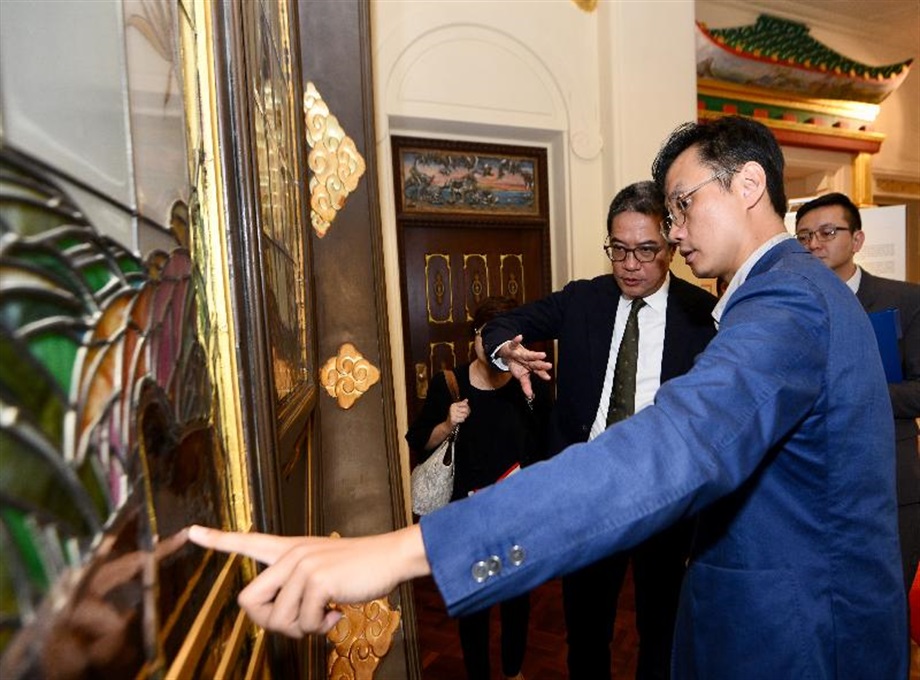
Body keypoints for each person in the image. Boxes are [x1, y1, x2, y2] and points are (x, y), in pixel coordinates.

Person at [188, 116, 908, 678]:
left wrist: (409, 551)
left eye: (683, 207)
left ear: (748, 184)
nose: (675, 233)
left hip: (798, 643)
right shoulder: (788, 295)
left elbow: (674, 445)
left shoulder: (788, 303)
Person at [481, 181, 716, 679]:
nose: (630, 264)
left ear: (671, 246)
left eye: (646, 250)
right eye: (619, 249)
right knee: (586, 631)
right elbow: (502, 325)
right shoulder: (584, 300)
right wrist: (506, 353)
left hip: (665, 494)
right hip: (587, 492)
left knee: (661, 628)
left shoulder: (702, 317)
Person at [406, 295, 550, 680]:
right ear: (475, 338)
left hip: (515, 513)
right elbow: (419, 441)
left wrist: (534, 399)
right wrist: (447, 423)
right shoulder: (449, 383)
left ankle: (514, 670)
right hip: (464, 517)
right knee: (473, 607)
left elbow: (547, 446)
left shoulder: (528, 382)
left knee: (517, 603)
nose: (493, 347)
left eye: (506, 339)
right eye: (487, 336)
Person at [795, 192, 920, 596]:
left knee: (887, 608)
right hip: (813, 486)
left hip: (889, 482)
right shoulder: (790, 305)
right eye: (804, 236)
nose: (815, 244)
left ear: (858, 240)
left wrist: (853, 394)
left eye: (827, 232)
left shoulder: (903, 300)